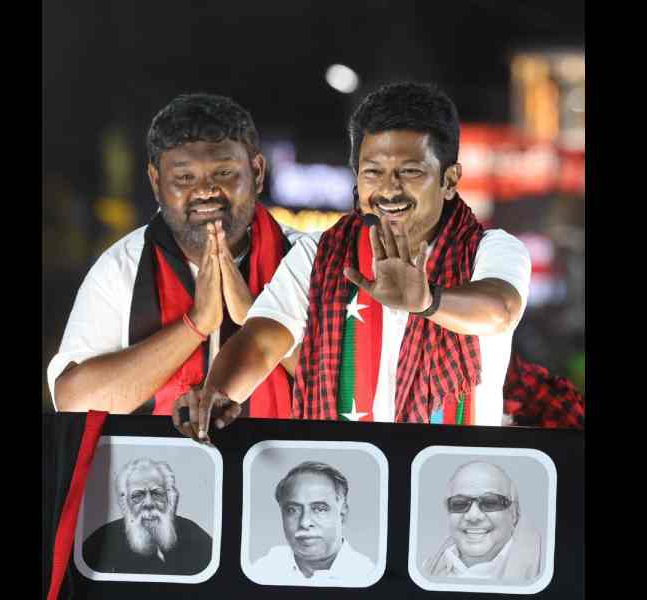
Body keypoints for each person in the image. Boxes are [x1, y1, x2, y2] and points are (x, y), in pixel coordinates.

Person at [174, 82, 531, 441]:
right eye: (373, 172)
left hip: (450, 482)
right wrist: (219, 393)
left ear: (450, 180)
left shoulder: (492, 248)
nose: (389, 190)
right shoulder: (318, 255)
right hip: (341, 481)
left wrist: (429, 301)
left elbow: (500, 310)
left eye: (410, 172)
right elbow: (262, 341)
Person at [47, 93, 303, 417]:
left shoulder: (306, 258)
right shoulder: (122, 266)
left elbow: (353, 396)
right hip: (155, 467)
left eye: (224, 173)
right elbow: (73, 401)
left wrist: (258, 320)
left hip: (284, 467)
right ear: (156, 182)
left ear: (257, 171)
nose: (206, 190)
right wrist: (195, 324)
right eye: (184, 177)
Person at [250, 461, 375, 584]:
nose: (304, 522)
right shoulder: (263, 571)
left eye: (319, 509)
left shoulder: (368, 576)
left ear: (342, 512)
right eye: (292, 510)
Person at [82, 458, 212, 575]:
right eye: (138, 495)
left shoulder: (195, 536)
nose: (149, 503)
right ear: (124, 501)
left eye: (157, 493)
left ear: (170, 497)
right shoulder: (101, 540)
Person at [422, 461, 541, 581]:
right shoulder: (426, 570)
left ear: (514, 513)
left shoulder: (541, 572)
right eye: (459, 503)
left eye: (490, 502)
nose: (473, 516)